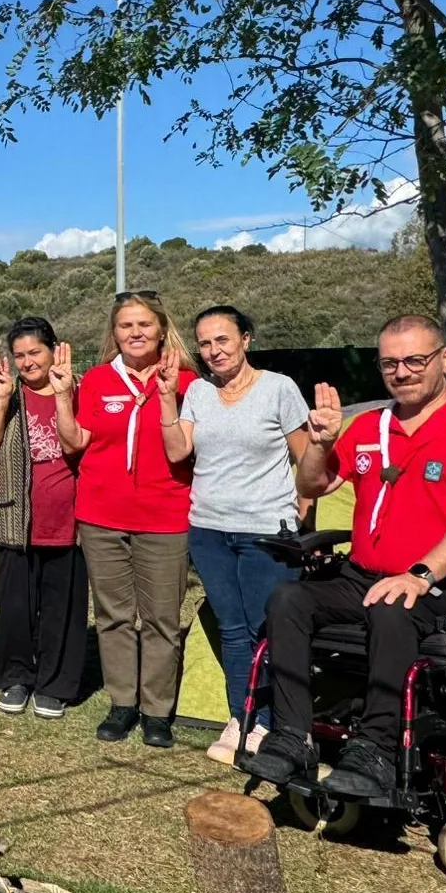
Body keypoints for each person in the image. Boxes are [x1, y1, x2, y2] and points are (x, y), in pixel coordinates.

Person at [245, 315, 446, 796]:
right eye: (389, 363)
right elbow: (313, 484)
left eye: (415, 360)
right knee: (288, 599)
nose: (401, 372)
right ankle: (292, 737)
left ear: (445, 359)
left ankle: (377, 751)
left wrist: (420, 575)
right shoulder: (369, 425)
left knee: (392, 606)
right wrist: (320, 445)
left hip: (438, 587)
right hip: (360, 576)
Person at [160, 306, 310, 764]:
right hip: (209, 531)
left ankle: (270, 721)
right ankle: (239, 716)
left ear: (246, 339)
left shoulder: (279, 388)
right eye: (205, 343)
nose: (213, 351)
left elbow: (308, 462)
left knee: (265, 628)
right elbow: (178, 450)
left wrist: (301, 517)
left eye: (223, 339)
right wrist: (166, 399)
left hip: (266, 532)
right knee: (231, 629)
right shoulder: (198, 393)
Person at [55, 291, 197, 748]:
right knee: (113, 616)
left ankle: (156, 709)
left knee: (161, 618)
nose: (135, 333)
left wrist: (169, 395)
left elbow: (186, 450)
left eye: (144, 324)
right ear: (114, 333)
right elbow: (74, 441)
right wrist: (63, 396)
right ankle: (122, 703)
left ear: (162, 329)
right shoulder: (98, 380)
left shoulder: (189, 382)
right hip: (101, 515)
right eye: (125, 326)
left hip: (165, 516)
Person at [0, 317, 88, 720]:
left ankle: (55, 684)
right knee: (14, 606)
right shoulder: (9, 396)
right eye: (19, 355)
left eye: (35, 352)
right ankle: (16, 677)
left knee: (62, 607)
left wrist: (64, 394)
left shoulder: (79, 390)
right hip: (15, 518)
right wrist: (0, 400)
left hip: (68, 519)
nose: (27, 362)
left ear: (54, 350)